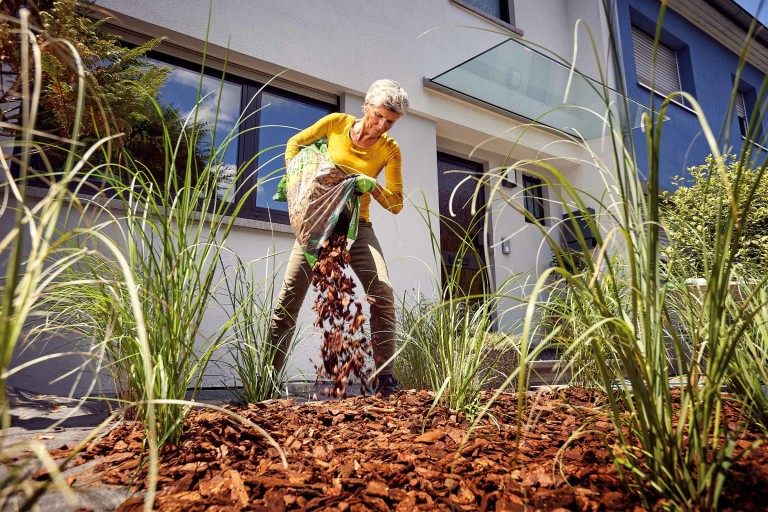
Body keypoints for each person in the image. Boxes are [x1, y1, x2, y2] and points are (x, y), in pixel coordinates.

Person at [270, 79, 409, 397]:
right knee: (287, 301)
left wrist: (370, 185)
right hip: (318, 225)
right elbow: (294, 145)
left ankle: (385, 379)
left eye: (390, 121)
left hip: (358, 227)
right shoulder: (335, 124)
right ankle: (266, 377)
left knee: (383, 292)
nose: (382, 126)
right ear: (366, 107)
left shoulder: (390, 150)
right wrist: (300, 183)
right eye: (378, 116)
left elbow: (397, 203)